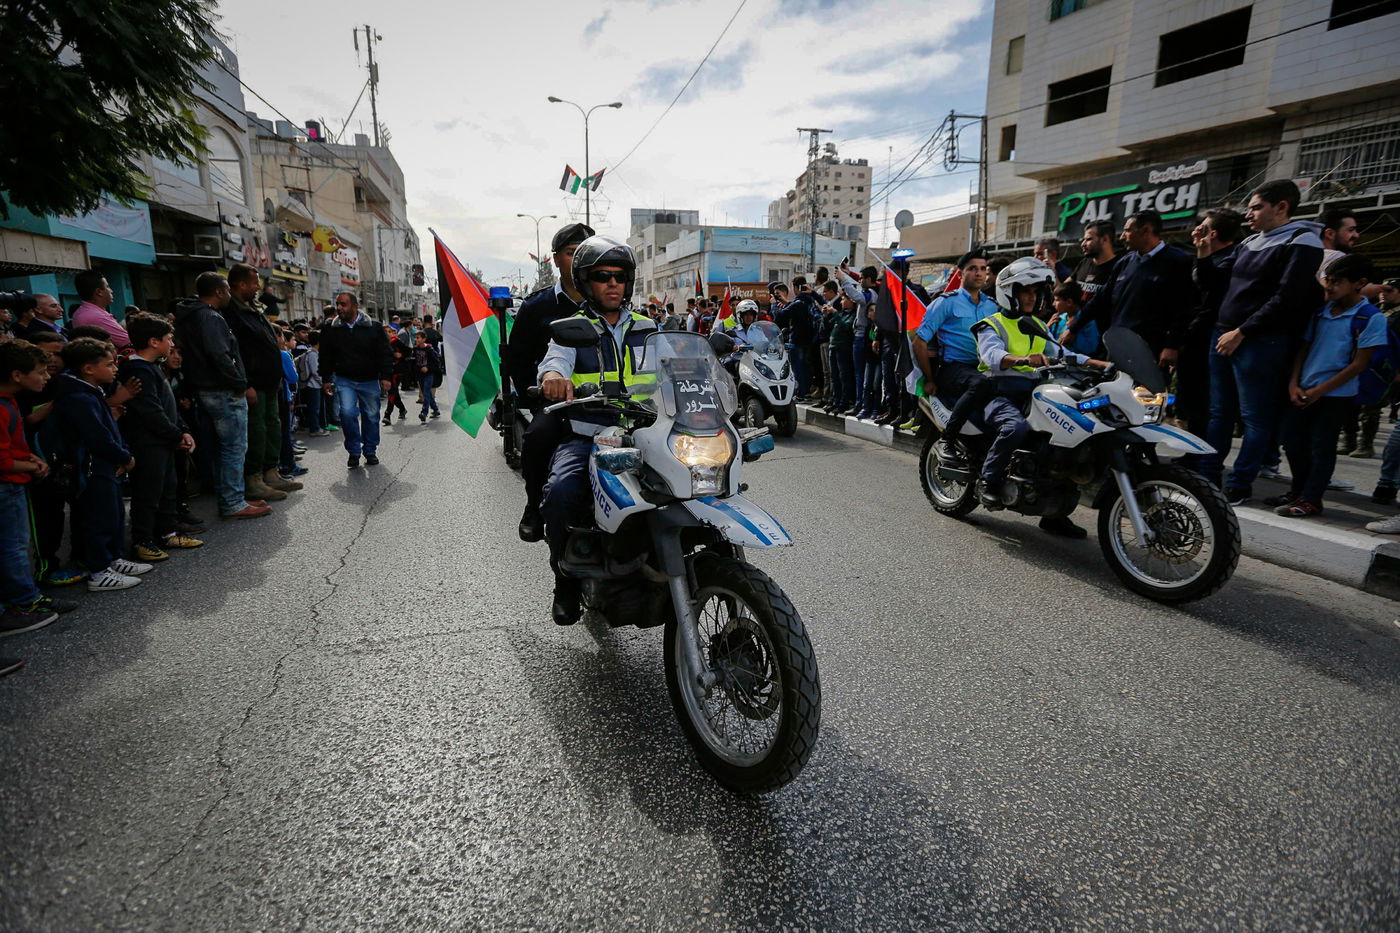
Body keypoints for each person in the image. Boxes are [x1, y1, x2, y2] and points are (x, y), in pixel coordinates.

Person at [536, 235, 657, 625]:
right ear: (586, 282)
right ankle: (565, 580)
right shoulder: (573, 328)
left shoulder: (648, 327)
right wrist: (553, 378)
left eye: (619, 276)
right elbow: (555, 361)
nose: (612, 283)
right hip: (590, 434)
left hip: (647, 431)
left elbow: (675, 365)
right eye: (603, 276)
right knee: (560, 493)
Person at [1195, 179, 1324, 505]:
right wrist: (1203, 253)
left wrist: (1242, 332)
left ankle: (1239, 484)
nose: (1248, 214)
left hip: (1260, 341)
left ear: (1281, 207)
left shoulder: (1302, 240)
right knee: (1219, 413)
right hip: (1223, 336)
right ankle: (1207, 477)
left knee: (1254, 417)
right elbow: (1213, 284)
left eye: (1255, 207)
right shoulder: (1250, 242)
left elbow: (1287, 297)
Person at [972, 258, 1111, 537]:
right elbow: (992, 356)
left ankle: (1055, 515)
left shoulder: (1037, 324)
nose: (1031, 297)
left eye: (1035, 292)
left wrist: (1100, 364)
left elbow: (1062, 353)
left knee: (1070, 438)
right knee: (1015, 428)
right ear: (1009, 292)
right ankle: (988, 480)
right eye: (1025, 291)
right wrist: (1023, 359)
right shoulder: (991, 324)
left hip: (1033, 392)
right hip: (998, 392)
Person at [1264, 254, 1388, 518]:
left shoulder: (1370, 317)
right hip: (1303, 389)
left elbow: (1358, 365)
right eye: (1328, 280)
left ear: (1359, 283)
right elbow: (1304, 348)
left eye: (1337, 282)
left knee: (1322, 446)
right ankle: (1298, 491)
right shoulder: (1321, 311)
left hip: (1336, 394)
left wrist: (1318, 392)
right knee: (1293, 442)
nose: (1329, 287)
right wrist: (1294, 384)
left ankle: (1311, 499)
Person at [44, 338, 154, 589]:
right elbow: (97, 437)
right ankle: (99, 570)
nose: (115, 368)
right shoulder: (78, 398)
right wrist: (124, 456)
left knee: (114, 513)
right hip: (91, 467)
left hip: (105, 465)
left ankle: (113, 558)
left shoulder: (92, 392)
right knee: (98, 517)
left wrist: (121, 453)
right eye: (109, 364)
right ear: (88, 369)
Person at [508, 223, 594, 542]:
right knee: (537, 437)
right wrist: (537, 397)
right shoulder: (536, 307)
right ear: (556, 259)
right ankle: (534, 506)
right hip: (555, 401)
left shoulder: (608, 303)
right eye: (573, 253)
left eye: (588, 252)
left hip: (609, 400)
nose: (581, 259)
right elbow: (518, 358)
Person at [174, 272, 269, 520]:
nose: (229, 294)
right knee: (234, 447)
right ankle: (233, 502)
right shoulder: (209, 316)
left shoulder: (192, 315)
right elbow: (220, 355)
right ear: (218, 291)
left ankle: (231, 495)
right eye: (226, 290)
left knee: (221, 448)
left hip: (206, 388)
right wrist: (239, 383)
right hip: (221, 390)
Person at [0, 340, 77, 635]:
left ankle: (25, 597)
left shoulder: (10, 400)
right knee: (14, 548)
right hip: (7, 487)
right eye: (40, 372)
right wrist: (30, 466)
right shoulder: (2, 406)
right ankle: (25, 602)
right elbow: (2, 460)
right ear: (17, 375)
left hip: (13, 482)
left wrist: (29, 457)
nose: (46, 376)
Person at [118, 314, 202, 562]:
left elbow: (168, 405)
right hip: (148, 444)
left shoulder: (152, 368)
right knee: (148, 493)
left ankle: (168, 532)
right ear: (154, 342)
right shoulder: (137, 371)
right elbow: (151, 412)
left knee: (167, 489)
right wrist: (176, 434)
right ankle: (143, 540)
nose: (171, 343)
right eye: (168, 338)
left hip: (164, 442)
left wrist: (182, 430)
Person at [1068, 210, 1193, 368]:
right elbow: (1100, 299)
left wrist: (1171, 345)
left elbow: (1183, 308)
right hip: (1118, 345)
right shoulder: (1125, 263)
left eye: (1127, 231)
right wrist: (1073, 329)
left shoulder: (1177, 261)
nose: (1122, 237)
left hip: (1150, 350)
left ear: (1146, 230)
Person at [225, 263, 299, 503]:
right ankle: (254, 481)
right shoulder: (231, 312)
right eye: (254, 283)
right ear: (241, 284)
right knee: (256, 431)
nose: (258, 287)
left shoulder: (253, 308)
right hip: (252, 384)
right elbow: (235, 352)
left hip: (268, 382)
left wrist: (276, 376)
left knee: (272, 427)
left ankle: (271, 473)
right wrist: (246, 384)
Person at [911, 248, 992, 445]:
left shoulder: (992, 305)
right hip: (953, 369)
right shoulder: (945, 302)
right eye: (972, 268)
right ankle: (948, 439)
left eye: (983, 269)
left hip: (986, 368)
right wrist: (929, 379)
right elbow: (919, 342)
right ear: (960, 273)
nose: (979, 273)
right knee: (980, 384)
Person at [1180, 208, 1244, 450]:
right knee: (1191, 401)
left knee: (1207, 403)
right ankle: (1193, 452)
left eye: (1203, 227)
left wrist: (1203, 251)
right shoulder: (1206, 257)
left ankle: (1203, 457)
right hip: (1193, 336)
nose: (1196, 231)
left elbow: (1210, 287)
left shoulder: (1232, 258)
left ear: (1213, 233)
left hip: (1211, 337)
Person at [319, 291, 393, 468]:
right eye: (337, 304)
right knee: (347, 413)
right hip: (345, 380)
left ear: (355, 306)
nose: (339, 308)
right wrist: (326, 378)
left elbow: (385, 353)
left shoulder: (373, 327)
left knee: (371, 415)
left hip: (370, 380)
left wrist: (386, 376)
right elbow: (325, 355)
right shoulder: (331, 329)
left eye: (343, 304)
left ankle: (370, 450)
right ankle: (354, 451)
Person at [69, 271, 133, 348]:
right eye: (107, 287)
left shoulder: (81, 312)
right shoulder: (97, 316)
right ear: (99, 292)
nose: (111, 291)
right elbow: (128, 341)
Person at [1074, 221, 1120, 310]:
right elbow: (1063, 290)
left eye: (1088, 239)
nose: (1083, 244)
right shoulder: (1084, 263)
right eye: (1083, 240)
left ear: (1104, 239)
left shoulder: (1120, 267)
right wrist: (1053, 269)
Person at [1046, 281, 1099, 357]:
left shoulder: (1088, 322)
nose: (1053, 304)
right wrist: (1047, 327)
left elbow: (1091, 348)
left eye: (1057, 300)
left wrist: (1074, 334)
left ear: (1069, 302)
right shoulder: (1058, 319)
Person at [413, 331, 442, 422]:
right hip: (420, 375)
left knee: (426, 393)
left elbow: (436, 362)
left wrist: (428, 368)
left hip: (429, 375)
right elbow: (414, 361)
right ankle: (436, 409)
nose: (416, 340)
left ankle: (424, 412)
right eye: (415, 338)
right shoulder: (415, 349)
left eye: (418, 338)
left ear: (424, 339)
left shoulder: (429, 349)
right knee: (427, 393)